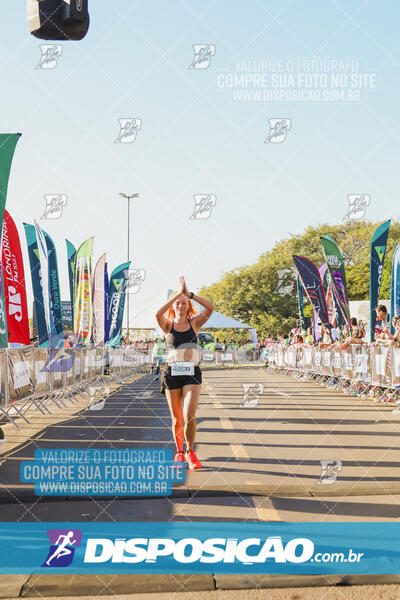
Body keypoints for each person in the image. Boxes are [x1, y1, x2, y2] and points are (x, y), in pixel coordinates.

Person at [155, 276, 214, 470]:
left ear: (188, 306)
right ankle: (179, 452)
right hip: (172, 374)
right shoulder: (167, 325)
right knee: (176, 419)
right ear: (174, 306)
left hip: (192, 374)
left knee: (189, 416)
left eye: (184, 303)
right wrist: (175, 296)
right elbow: (158, 313)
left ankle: (190, 452)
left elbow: (211, 307)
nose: (181, 305)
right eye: (178, 303)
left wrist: (190, 295)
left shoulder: (195, 324)